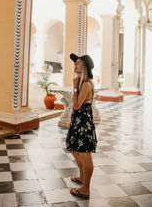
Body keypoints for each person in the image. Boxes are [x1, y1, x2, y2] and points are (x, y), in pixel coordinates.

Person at [66, 53, 97, 199]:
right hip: (78, 122)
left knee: (85, 154)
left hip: (83, 124)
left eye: (77, 62)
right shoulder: (82, 82)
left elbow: (77, 105)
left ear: (84, 65)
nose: (75, 64)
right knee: (74, 150)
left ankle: (86, 188)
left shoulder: (85, 84)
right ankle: (82, 177)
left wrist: (74, 87)